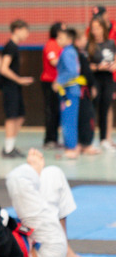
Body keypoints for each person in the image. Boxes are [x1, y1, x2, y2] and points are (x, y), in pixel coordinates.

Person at [5, 148, 98, 257]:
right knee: (18, 179)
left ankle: (67, 253)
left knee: (53, 174)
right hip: (45, 256)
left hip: (33, 241)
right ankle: (33, 172)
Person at [0, 19, 34, 158]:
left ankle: (10, 146)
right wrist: (19, 80)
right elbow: (3, 69)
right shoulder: (10, 46)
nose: (27, 34)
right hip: (9, 87)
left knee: (19, 116)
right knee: (11, 117)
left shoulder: (14, 46)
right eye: (25, 30)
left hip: (14, 87)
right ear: (17, 29)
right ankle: (7, 149)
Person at [53, 27, 85, 159]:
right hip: (68, 91)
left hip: (70, 92)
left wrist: (59, 81)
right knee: (67, 119)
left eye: (61, 37)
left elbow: (72, 72)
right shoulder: (68, 51)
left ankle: (71, 148)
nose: (58, 39)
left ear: (69, 40)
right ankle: (69, 146)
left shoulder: (67, 52)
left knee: (68, 121)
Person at [87, 14, 115, 151]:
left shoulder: (110, 43)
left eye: (98, 28)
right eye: (93, 28)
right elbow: (85, 66)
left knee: (105, 108)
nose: (95, 31)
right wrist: (98, 67)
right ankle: (89, 140)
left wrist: (113, 65)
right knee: (92, 109)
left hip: (108, 79)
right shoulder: (90, 45)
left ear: (103, 29)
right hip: (95, 79)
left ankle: (104, 139)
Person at [40, 21, 65, 149]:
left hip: (59, 82)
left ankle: (54, 139)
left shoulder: (61, 46)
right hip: (49, 82)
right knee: (51, 111)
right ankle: (49, 140)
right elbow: (53, 61)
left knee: (57, 111)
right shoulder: (51, 44)